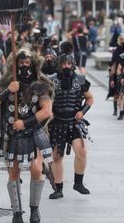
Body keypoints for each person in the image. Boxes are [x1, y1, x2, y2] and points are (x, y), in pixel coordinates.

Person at [0, 49, 53, 223]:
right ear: (14, 64)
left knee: (37, 170)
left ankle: (34, 210)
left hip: (34, 132)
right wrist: (8, 90)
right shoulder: (6, 83)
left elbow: (47, 111)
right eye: (21, 62)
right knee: (14, 172)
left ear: (32, 63)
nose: (24, 65)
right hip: (12, 134)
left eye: (27, 62)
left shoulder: (39, 84)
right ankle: (17, 213)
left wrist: (25, 123)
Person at [47, 53, 94, 199]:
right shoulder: (50, 81)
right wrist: (48, 112)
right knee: (57, 157)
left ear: (72, 64)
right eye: (63, 64)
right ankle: (58, 188)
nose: (66, 66)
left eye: (68, 64)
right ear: (59, 65)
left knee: (82, 152)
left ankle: (78, 183)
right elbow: (44, 100)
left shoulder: (80, 79)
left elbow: (90, 98)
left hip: (74, 122)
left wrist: (82, 111)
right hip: (57, 123)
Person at [109, 33, 124, 117]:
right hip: (117, 73)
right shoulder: (116, 51)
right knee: (116, 93)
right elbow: (113, 64)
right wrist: (112, 78)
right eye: (122, 39)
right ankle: (115, 110)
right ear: (119, 40)